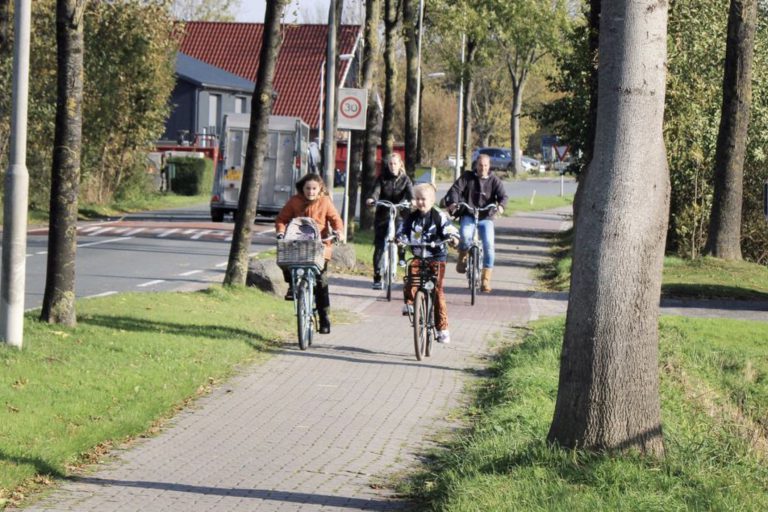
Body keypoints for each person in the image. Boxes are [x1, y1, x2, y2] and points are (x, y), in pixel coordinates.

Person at [276, 173, 345, 334]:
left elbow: (336, 219)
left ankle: (324, 318)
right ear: (303, 188)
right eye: (308, 188)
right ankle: (293, 286)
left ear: (320, 188)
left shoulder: (325, 202)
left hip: (319, 246)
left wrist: (338, 231)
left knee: (321, 283)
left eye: (314, 189)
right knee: (285, 262)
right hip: (297, 245)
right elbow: (281, 219)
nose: (311, 192)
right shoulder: (294, 201)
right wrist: (281, 232)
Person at [397, 183, 459, 344]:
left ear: (432, 200)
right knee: (412, 275)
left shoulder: (438, 216)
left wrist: (453, 238)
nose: (420, 202)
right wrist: (400, 239)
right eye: (417, 199)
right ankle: (411, 303)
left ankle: (442, 329)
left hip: (436, 257)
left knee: (437, 291)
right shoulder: (412, 216)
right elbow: (403, 230)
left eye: (423, 199)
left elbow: (449, 229)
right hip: (418, 255)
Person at [444, 153, 508, 292]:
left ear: (489, 166)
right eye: (480, 165)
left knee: (489, 245)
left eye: (485, 165)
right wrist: (454, 203)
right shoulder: (467, 177)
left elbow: (503, 196)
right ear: (476, 165)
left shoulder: (494, 180)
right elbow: (455, 190)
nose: (482, 168)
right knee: (466, 236)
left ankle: (485, 279)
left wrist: (501, 206)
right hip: (469, 214)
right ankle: (462, 256)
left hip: (486, 217)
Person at [365, 152, 414, 290]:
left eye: (395, 163)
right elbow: (375, 191)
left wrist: (412, 201)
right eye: (390, 164)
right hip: (383, 215)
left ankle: (402, 254)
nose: (393, 166)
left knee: (401, 235)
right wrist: (372, 199)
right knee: (380, 245)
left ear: (400, 164)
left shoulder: (405, 179)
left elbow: (410, 193)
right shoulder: (382, 178)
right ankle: (377, 276)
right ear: (388, 165)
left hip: (399, 214)